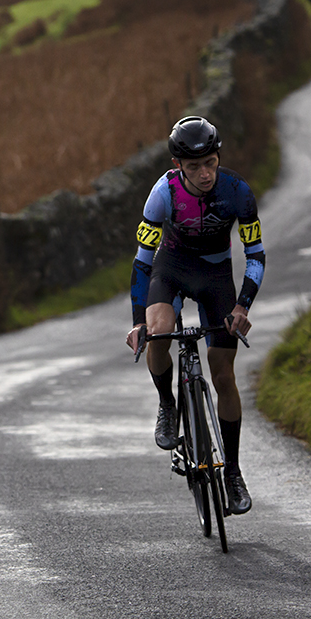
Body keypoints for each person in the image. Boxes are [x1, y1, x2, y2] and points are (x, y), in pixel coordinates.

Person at [125, 116, 265, 515]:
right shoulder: (162, 193)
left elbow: (255, 255)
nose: (205, 174)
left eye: (211, 163)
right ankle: (167, 405)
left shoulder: (239, 192)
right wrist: (138, 321)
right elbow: (142, 261)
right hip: (171, 267)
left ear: (218, 157)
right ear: (177, 165)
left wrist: (242, 307)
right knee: (159, 330)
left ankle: (233, 472)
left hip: (216, 275)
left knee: (223, 374)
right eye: (193, 167)